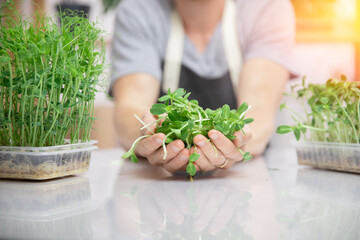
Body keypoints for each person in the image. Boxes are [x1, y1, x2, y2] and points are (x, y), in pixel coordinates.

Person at [109, 0, 295, 173]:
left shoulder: (265, 6)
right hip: (157, 182)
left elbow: (259, 112)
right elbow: (130, 109)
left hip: (248, 178)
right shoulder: (138, 10)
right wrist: (150, 135)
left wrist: (232, 141)